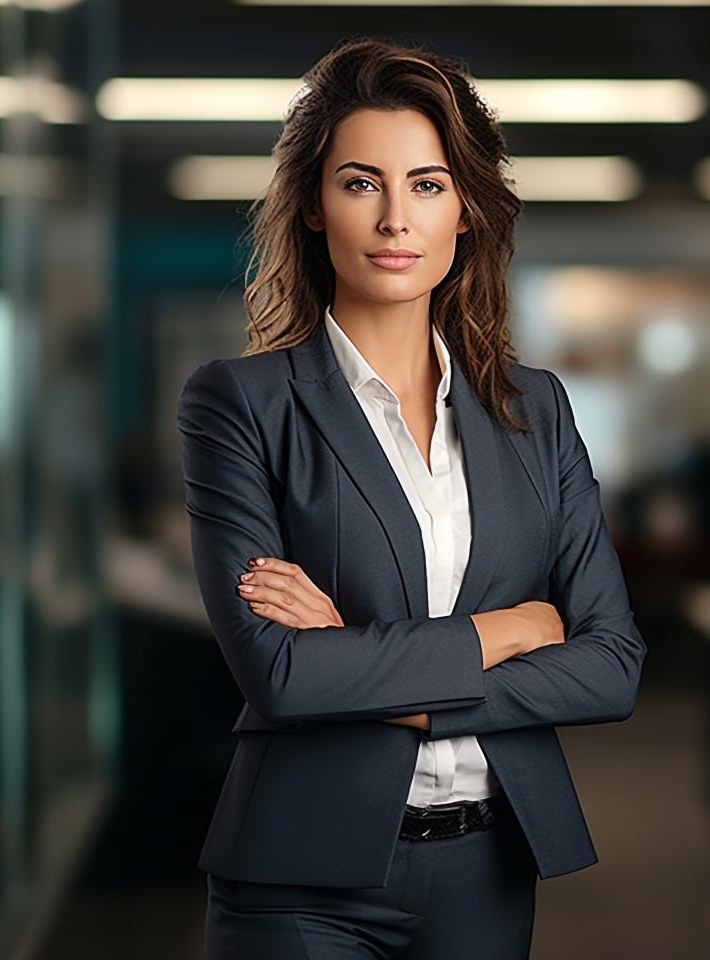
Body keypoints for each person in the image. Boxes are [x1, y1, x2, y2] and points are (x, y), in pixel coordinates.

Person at [177, 35, 646, 960]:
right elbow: (282, 674)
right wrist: (510, 630)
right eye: (361, 183)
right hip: (300, 879)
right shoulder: (241, 403)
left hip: (488, 867)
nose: (396, 219)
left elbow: (610, 667)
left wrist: (362, 665)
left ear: (465, 210)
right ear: (314, 206)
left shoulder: (536, 409)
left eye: (427, 185)